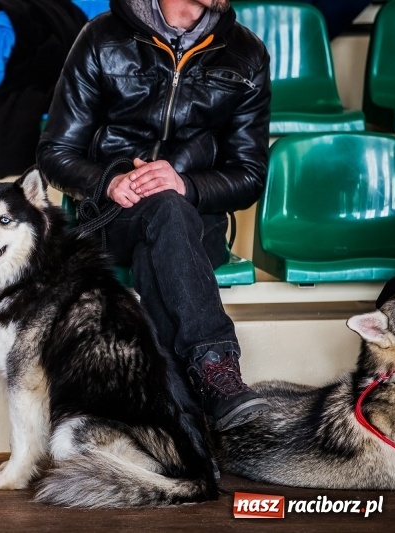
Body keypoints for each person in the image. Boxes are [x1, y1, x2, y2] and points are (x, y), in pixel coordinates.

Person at [37, 0, 271, 431]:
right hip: (114, 216)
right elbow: (54, 153)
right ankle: (217, 372)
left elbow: (250, 175)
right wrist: (108, 181)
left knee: (165, 222)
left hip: (199, 225)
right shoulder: (101, 38)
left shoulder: (246, 53)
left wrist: (186, 185)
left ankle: (180, 420)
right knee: (162, 214)